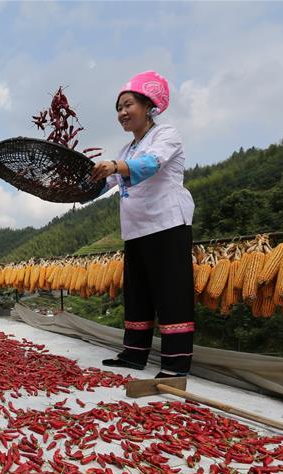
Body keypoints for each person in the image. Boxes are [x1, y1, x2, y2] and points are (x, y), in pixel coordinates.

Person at [90, 70, 195, 378]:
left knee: (170, 293)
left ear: (149, 106)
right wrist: (73, 188)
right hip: (136, 230)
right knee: (138, 294)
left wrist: (113, 166)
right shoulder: (126, 150)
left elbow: (149, 166)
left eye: (128, 105)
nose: (122, 113)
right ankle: (134, 354)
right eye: (119, 108)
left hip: (167, 224)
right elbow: (105, 183)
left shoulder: (166, 136)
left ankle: (175, 364)